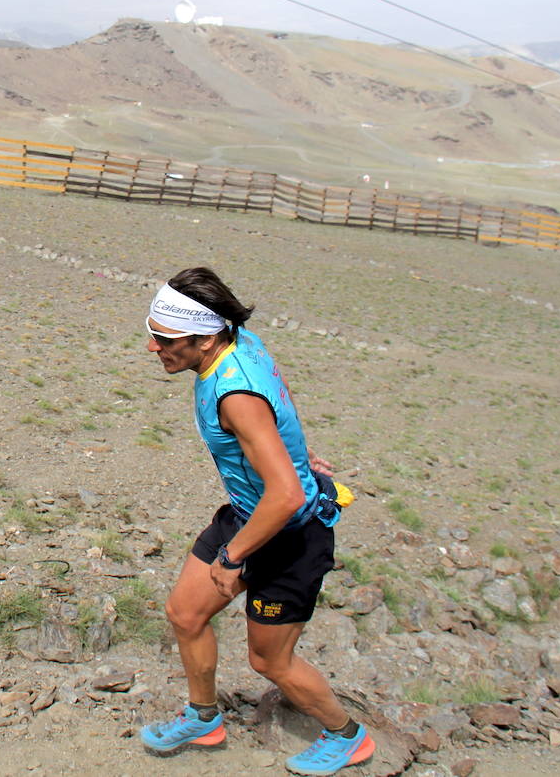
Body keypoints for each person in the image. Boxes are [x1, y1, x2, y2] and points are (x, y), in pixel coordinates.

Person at [136, 267, 374, 776]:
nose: (153, 348)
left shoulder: (236, 397)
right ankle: (204, 719)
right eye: (151, 333)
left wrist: (233, 556)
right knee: (185, 614)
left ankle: (347, 736)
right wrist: (292, 448)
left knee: (270, 662)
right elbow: (278, 397)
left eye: (164, 339)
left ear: (204, 338)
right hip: (249, 516)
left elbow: (286, 495)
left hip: (289, 535)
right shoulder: (239, 340)